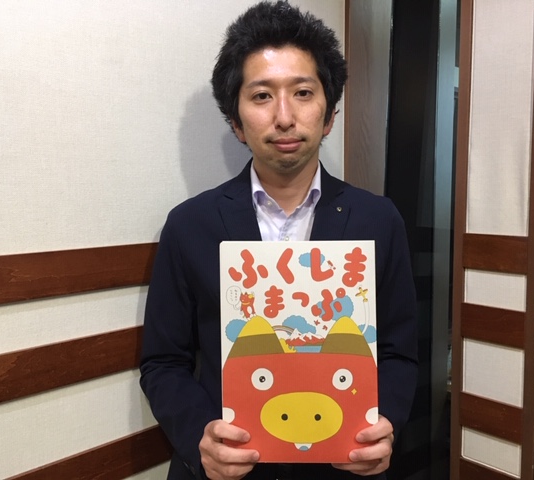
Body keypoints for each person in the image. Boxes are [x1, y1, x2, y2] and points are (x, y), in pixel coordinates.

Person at [139, 2, 418, 479]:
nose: (284, 116)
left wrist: (383, 424)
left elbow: (397, 353)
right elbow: (163, 362)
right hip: (229, 469)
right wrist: (201, 438)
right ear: (236, 121)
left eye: (303, 92)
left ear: (329, 115)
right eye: (262, 95)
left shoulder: (379, 219)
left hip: (342, 466)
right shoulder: (189, 225)